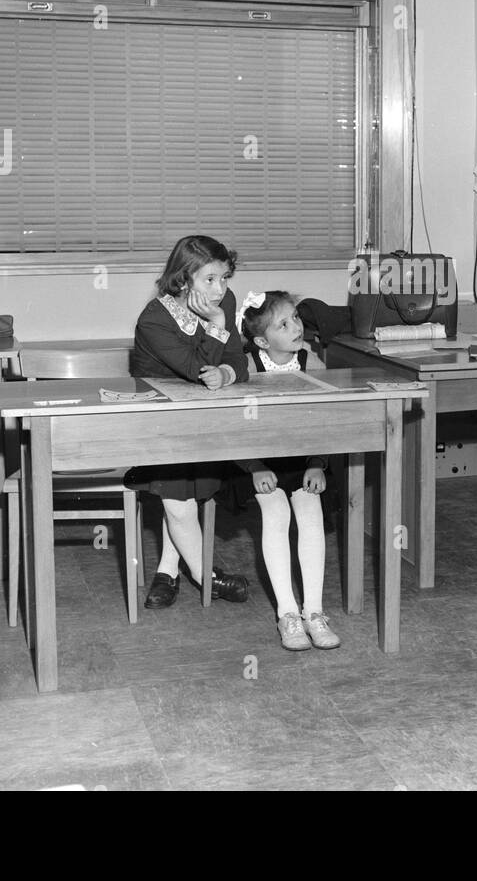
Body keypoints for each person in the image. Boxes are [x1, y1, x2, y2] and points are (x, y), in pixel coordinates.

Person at [131, 235, 250, 608]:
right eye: (210, 279)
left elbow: (239, 360)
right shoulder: (154, 318)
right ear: (183, 281)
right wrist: (216, 324)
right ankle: (206, 576)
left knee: (181, 494)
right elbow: (193, 369)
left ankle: (168, 569)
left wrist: (228, 374)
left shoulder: (223, 301)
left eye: (225, 277)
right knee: (180, 502)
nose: (221, 289)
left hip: (201, 419)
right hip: (157, 421)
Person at [234, 290, 340, 651]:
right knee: (276, 511)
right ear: (263, 340)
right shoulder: (247, 367)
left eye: (296, 317)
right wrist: (254, 467)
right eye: (284, 323)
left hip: (302, 461)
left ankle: (314, 611)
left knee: (310, 510)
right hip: (257, 463)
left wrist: (317, 463)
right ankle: (287, 613)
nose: (296, 326)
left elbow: (329, 422)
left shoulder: (314, 363)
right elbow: (234, 426)